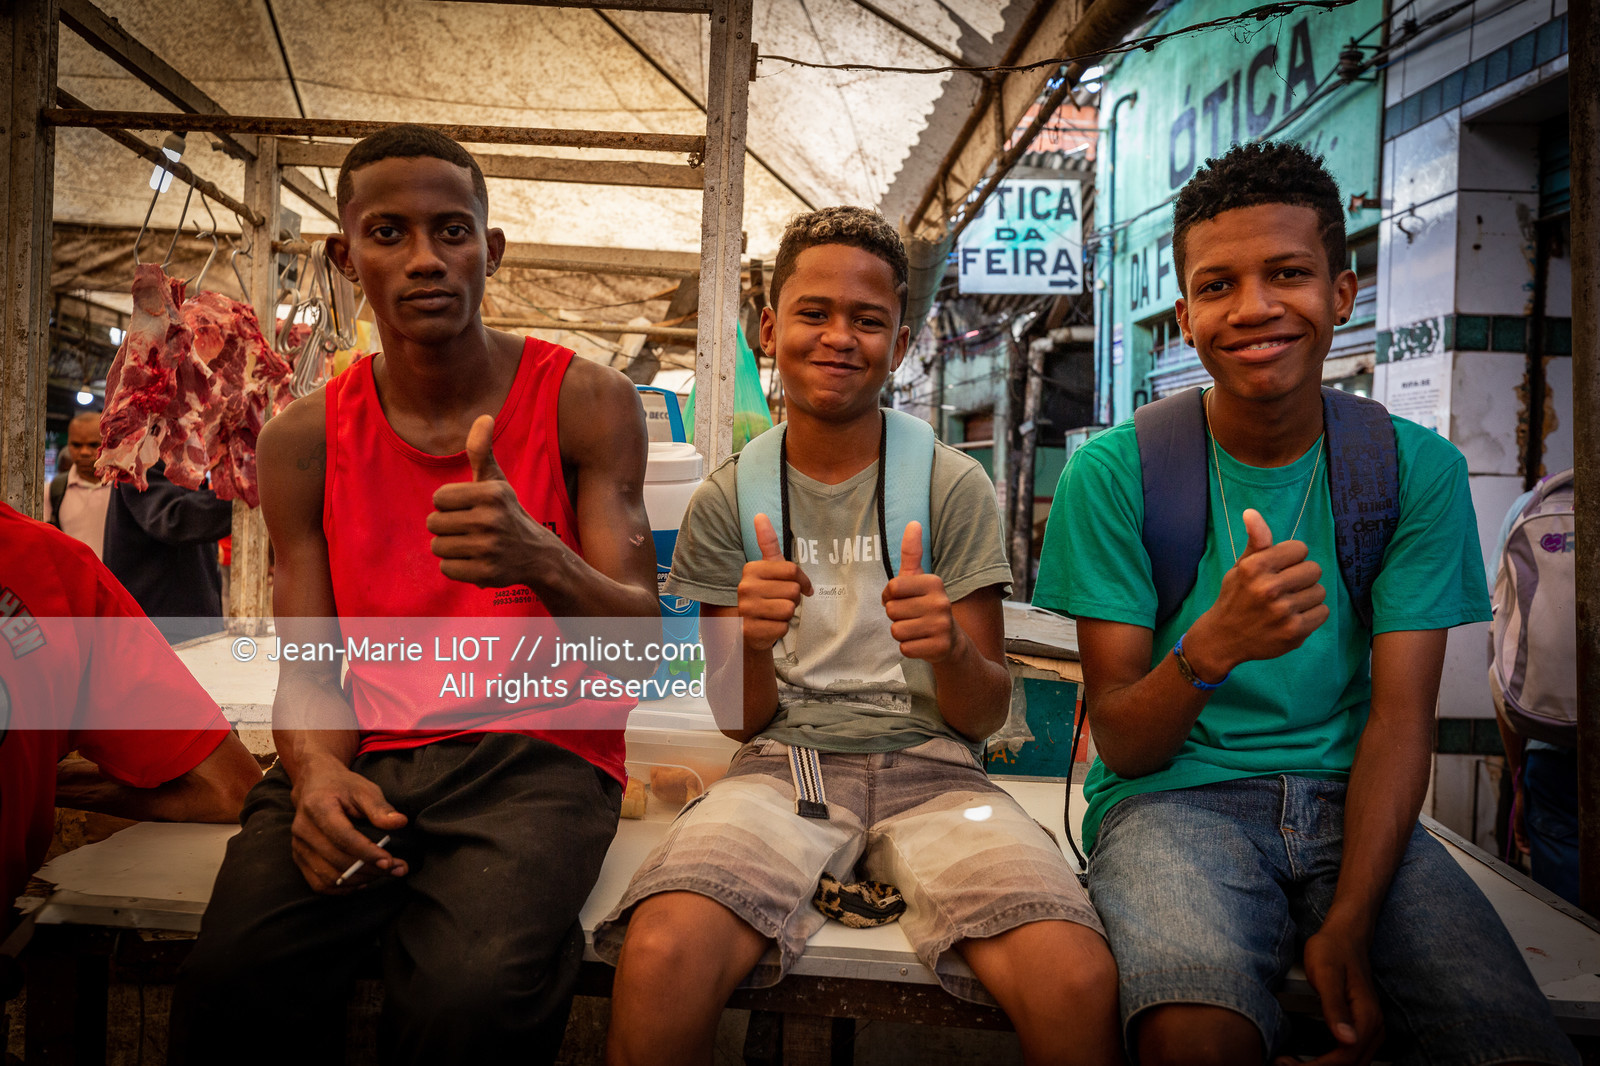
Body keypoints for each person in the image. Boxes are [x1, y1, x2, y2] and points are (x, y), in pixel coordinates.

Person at [1034, 141, 1575, 1066]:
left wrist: (1353, 918)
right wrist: (1213, 646)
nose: (1254, 308)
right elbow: (1123, 742)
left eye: (1287, 273)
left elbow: (1402, 722)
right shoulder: (1114, 474)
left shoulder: (1415, 471)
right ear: (1185, 315)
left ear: (1343, 293)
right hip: (1174, 804)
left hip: (1356, 801)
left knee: (1505, 1037)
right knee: (1193, 1033)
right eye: (1218, 285)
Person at [168, 124, 659, 1066]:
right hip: (368, 757)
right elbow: (313, 666)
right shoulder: (303, 440)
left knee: (467, 998)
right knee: (234, 975)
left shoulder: (586, 402)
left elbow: (640, 653)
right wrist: (312, 774)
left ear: (493, 250)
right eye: (388, 232)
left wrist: (541, 557)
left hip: (537, 760)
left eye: (454, 230)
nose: (426, 258)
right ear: (342, 254)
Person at [596, 206, 1121, 1066]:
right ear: (771, 327)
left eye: (868, 319)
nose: (840, 336)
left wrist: (950, 649)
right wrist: (752, 645)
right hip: (782, 771)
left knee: (1076, 979)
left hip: (943, 777)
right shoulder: (729, 499)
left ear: (902, 342)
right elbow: (737, 718)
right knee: (660, 954)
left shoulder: (951, 486)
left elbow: (983, 714)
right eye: (814, 312)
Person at [0, 501, 261, 934]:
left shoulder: (56, 567)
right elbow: (170, 518)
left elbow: (230, 790)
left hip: (178, 625)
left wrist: (36, 778)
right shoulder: (54, 561)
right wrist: (247, 501)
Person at [101, 460, 234, 642]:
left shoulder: (181, 461)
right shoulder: (142, 459)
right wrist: (239, 495)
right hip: (160, 626)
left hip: (187, 621)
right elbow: (173, 518)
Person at [44, 411, 112, 559]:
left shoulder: (124, 489)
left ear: (108, 443)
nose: (84, 452)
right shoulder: (52, 491)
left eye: (93, 445)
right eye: (76, 445)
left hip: (116, 581)